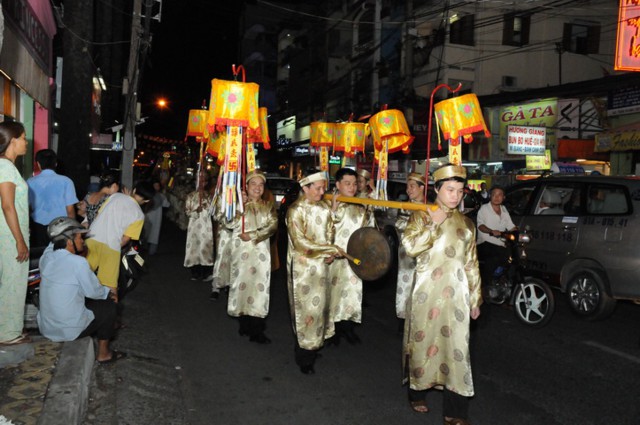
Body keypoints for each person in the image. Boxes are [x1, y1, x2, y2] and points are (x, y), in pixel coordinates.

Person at [401, 164, 482, 424]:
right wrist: (433, 225)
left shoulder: (467, 223)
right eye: (450, 189)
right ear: (436, 189)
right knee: (423, 342)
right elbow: (410, 247)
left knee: (457, 349)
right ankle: (416, 392)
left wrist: (475, 298)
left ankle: (455, 411)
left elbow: (471, 263)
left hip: (457, 296)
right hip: (426, 293)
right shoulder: (421, 215)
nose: (455, 196)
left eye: (459, 191)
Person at [37, 217, 124, 363]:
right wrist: (108, 293)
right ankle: (104, 354)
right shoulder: (78, 263)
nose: (82, 241)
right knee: (109, 305)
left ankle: (107, 326)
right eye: (79, 237)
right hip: (69, 331)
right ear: (69, 242)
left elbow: (52, 244)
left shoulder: (46, 257)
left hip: (47, 328)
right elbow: (94, 292)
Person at [286, 171, 343, 374]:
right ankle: (304, 357)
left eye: (323, 188)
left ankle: (313, 345)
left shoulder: (324, 207)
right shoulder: (295, 211)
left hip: (321, 268)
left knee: (320, 310)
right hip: (302, 270)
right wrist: (329, 250)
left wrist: (330, 252)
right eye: (317, 188)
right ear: (305, 188)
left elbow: (329, 231)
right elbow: (300, 243)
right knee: (305, 311)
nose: (321, 192)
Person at [225, 170, 277, 343]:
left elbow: (272, 226)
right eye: (253, 184)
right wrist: (238, 206)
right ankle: (243, 323)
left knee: (259, 289)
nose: (257, 187)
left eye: (261, 184)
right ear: (246, 186)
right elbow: (228, 223)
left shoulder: (268, 206)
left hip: (261, 255)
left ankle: (257, 330)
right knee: (242, 286)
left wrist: (253, 235)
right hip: (241, 254)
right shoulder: (239, 205)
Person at [327, 167, 374, 345]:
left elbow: (369, 231)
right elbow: (322, 229)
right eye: (347, 183)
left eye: (354, 183)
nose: (352, 187)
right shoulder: (327, 203)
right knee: (333, 294)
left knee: (351, 294)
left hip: (354, 259)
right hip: (334, 258)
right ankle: (331, 331)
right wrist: (332, 210)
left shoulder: (361, 206)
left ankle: (348, 328)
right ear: (338, 185)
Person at [86, 180, 154, 290]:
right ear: (147, 200)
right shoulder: (139, 215)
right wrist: (115, 245)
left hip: (92, 238)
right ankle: (112, 300)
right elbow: (126, 239)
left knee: (82, 274)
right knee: (110, 285)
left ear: (134, 190)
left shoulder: (115, 196)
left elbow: (98, 214)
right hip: (111, 246)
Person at [0, 121, 30, 345]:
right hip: (10, 236)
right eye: (23, 137)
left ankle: (8, 329)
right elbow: (8, 206)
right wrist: (19, 240)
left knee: (10, 282)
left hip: (8, 234)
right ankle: (8, 334)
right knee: (13, 283)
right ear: (12, 140)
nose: (26, 142)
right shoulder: (6, 167)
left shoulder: (6, 166)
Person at [27, 149, 78, 246]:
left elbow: (27, 208)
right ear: (55, 164)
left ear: (38, 164)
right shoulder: (67, 181)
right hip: (61, 228)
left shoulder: (30, 182)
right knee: (59, 254)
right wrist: (73, 231)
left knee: (39, 254)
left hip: (37, 229)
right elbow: (70, 210)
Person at [395, 172, 426, 325]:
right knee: (405, 283)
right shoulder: (405, 207)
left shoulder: (430, 207)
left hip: (424, 253)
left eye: (412, 186)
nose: (408, 190)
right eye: (407, 187)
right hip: (406, 253)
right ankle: (404, 317)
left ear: (422, 188)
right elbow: (399, 225)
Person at [476, 186, 517, 288]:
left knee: (514, 257)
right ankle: (487, 284)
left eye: (499, 195)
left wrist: (518, 232)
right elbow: (480, 225)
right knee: (495, 257)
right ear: (490, 196)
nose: (496, 197)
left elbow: (510, 226)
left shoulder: (504, 210)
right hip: (485, 243)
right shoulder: (484, 208)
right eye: (494, 194)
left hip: (501, 243)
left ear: (504, 197)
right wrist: (491, 231)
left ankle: (505, 281)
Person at [183, 172, 215, 287]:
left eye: (203, 181)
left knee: (206, 247)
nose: (201, 183)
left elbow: (214, 211)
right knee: (194, 247)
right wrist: (196, 211)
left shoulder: (209, 196)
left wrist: (207, 206)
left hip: (206, 227)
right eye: (199, 180)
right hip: (194, 226)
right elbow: (187, 212)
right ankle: (195, 272)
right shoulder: (190, 196)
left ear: (206, 183)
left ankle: (206, 272)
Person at [144, 180, 170, 255]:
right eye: (155, 185)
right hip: (153, 217)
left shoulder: (148, 195)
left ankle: (146, 250)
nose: (156, 187)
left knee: (147, 233)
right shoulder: (161, 196)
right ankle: (151, 251)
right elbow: (167, 204)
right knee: (153, 235)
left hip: (149, 216)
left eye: (157, 186)